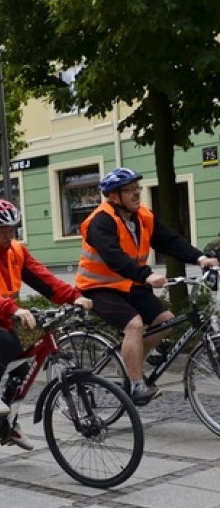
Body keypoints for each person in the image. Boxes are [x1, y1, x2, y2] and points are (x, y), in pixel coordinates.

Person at [0, 199, 93, 449]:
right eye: (2, 230)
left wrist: (74, 296)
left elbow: (43, 278)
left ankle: (7, 425)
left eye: (12, 229)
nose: (8, 235)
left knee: (22, 368)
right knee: (4, 344)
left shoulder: (16, 251)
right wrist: (14, 309)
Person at [76, 167, 220, 405]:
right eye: (129, 190)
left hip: (131, 284)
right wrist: (147, 274)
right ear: (114, 196)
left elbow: (169, 240)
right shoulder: (100, 221)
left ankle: (131, 365)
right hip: (99, 288)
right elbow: (114, 257)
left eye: (137, 189)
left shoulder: (143, 216)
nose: (136, 194)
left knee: (165, 321)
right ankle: (135, 384)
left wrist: (200, 259)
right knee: (134, 326)